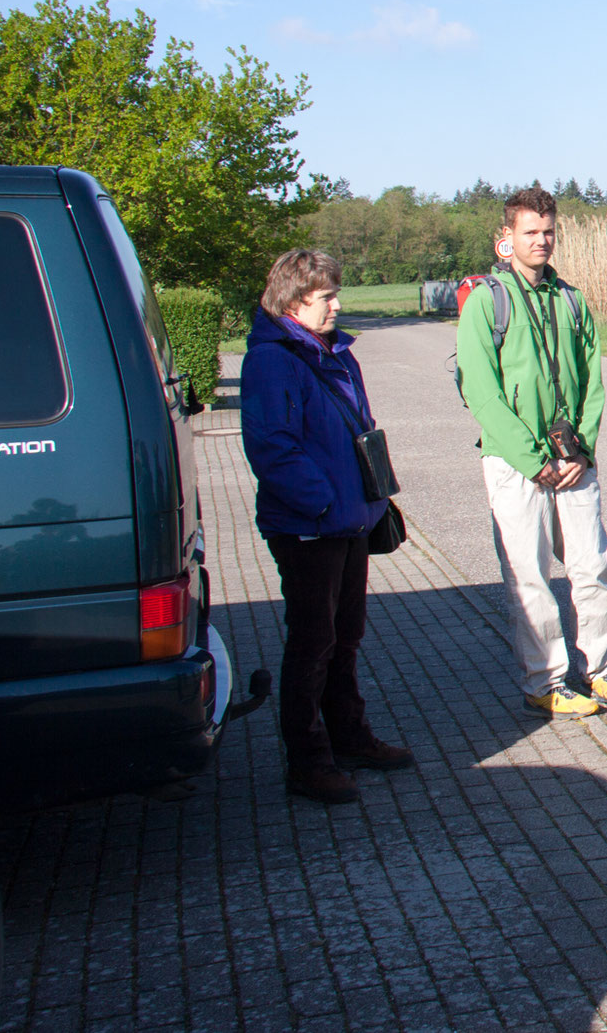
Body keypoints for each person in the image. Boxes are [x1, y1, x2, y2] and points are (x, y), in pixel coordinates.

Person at [240, 248, 415, 806]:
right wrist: (322, 505)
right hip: (310, 526)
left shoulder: (333, 352)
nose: (337, 305)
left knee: (347, 636)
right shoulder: (274, 361)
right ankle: (308, 759)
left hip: (347, 520)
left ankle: (349, 736)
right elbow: (272, 447)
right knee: (313, 642)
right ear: (293, 303)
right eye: (326, 297)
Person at [456, 184, 607, 719]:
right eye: (530, 232)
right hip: (515, 462)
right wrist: (534, 460)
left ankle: (598, 669)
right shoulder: (488, 299)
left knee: (594, 564)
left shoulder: (572, 299)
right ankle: (545, 680)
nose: (542, 241)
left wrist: (583, 448)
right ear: (505, 238)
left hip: (573, 457)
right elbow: (481, 392)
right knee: (529, 572)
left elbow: (592, 382)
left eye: (549, 231)